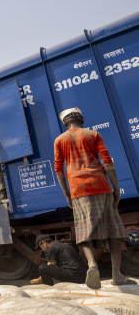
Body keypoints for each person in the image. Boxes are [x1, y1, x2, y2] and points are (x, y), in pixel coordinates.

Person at [54, 107, 136, 289]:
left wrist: (67, 194)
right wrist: (116, 188)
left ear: (65, 122)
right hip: (100, 185)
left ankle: (92, 265)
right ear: (81, 119)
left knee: (84, 231)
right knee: (114, 230)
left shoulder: (59, 140)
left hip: (77, 190)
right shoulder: (93, 134)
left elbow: (58, 169)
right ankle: (116, 275)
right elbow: (107, 162)